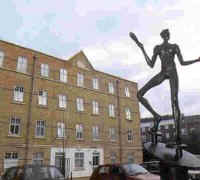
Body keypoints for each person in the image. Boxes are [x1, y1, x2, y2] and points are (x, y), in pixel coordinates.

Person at [130, 29, 200, 143]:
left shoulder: (174, 47)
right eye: (166, 35)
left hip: (172, 73)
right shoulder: (158, 48)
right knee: (139, 94)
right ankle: (157, 116)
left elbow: (182, 62)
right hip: (163, 73)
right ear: (165, 36)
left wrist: (196, 60)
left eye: (167, 35)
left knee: (174, 101)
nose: (167, 36)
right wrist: (141, 48)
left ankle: (178, 137)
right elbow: (151, 64)